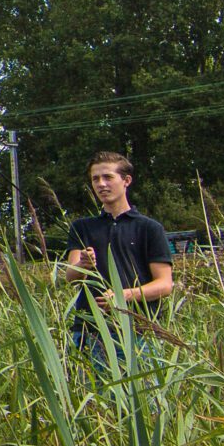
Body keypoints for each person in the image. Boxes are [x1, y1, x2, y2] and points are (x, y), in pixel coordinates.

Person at [64, 149, 174, 372]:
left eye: (108, 177)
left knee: (144, 393)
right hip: (91, 331)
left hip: (139, 331)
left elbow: (164, 285)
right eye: (95, 179)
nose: (101, 184)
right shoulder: (82, 227)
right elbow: (70, 276)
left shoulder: (149, 228)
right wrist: (83, 265)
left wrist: (123, 296)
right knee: (96, 394)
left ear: (126, 181)